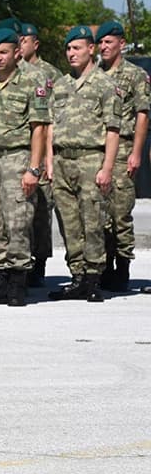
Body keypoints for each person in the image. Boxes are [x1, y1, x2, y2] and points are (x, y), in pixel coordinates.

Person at [0, 28, 50, 306]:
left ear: (17, 53)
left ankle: (17, 281)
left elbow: (39, 129)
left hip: (17, 158)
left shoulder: (31, 83)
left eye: (3, 52)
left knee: (18, 221)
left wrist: (34, 168)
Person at [47, 26, 120, 302]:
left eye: (76, 48)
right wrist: (50, 162)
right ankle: (76, 275)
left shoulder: (104, 85)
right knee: (69, 223)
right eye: (68, 49)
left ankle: (93, 277)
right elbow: (52, 125)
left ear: (91, 49)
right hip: (63, 159)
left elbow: (112, 129)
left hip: (91, 158)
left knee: (92, 221)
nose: (70, 53)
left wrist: (107, 168)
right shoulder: (62, 84)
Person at [95, 21, 149, 291]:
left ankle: (122, 267)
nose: (103, 47)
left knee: (120, 213)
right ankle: (103, 265)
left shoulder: (134, 75)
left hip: (124, 148)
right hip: (98, 150)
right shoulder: (95, 73)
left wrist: (136, 153)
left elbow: (142, 114)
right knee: (99, 212)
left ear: (121, 44)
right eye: (100, 43)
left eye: (108, 42)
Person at [18, 21, 62, 285]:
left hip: (40, 151)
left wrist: (48, 158)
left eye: (25, 40)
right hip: (15, 151)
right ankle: (18, 265)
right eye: (18, 40)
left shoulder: (50, 74)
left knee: (41, 213)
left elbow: (51, 119)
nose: (21, 44)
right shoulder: (10, 73)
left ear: (35, 43)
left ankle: (39, 263)